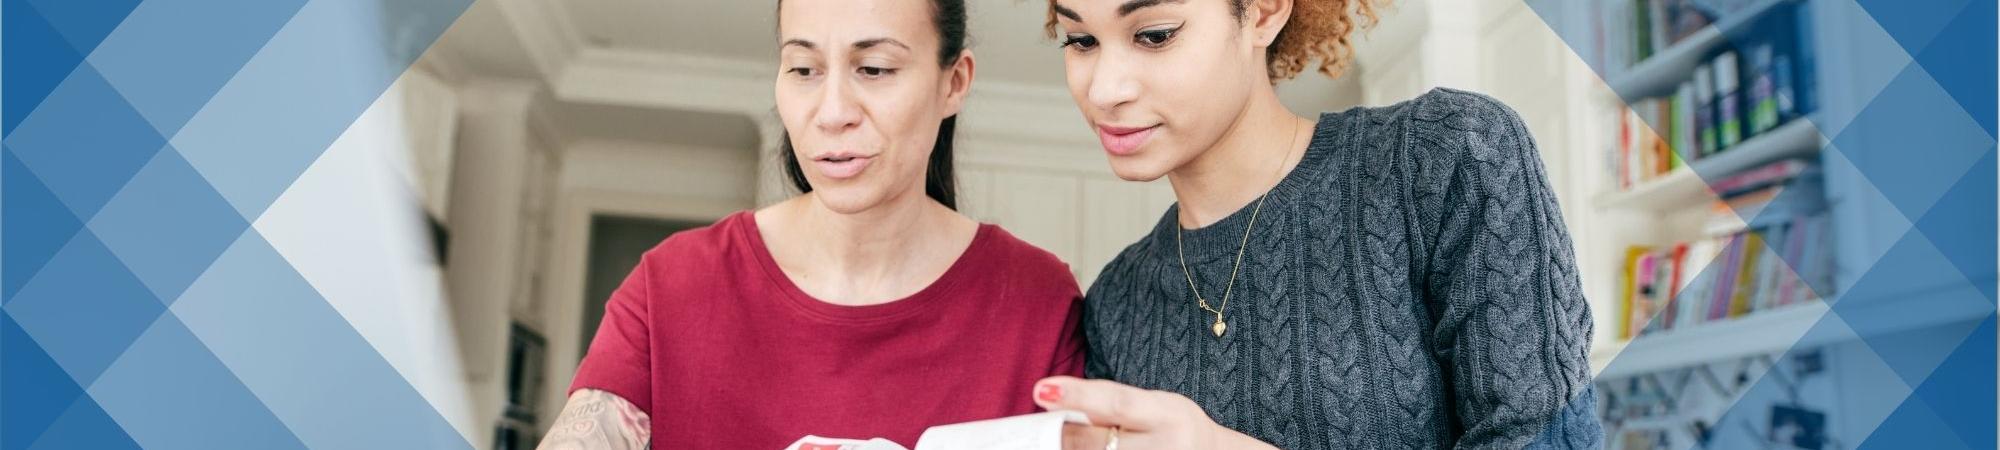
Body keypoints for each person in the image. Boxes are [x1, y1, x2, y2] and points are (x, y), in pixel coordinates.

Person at [1027, 0, 1603, 448]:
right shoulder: (1116, 301)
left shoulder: (1445, 156)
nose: (1104, 90)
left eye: (1154, 35)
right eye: (1081, 40)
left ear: (1265, 10)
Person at [538, 0, 1085, 447]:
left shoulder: (1037, 301)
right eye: (803, 70)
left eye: (873, 69)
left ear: (954, 82)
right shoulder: (673, 284)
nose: (831, 112)